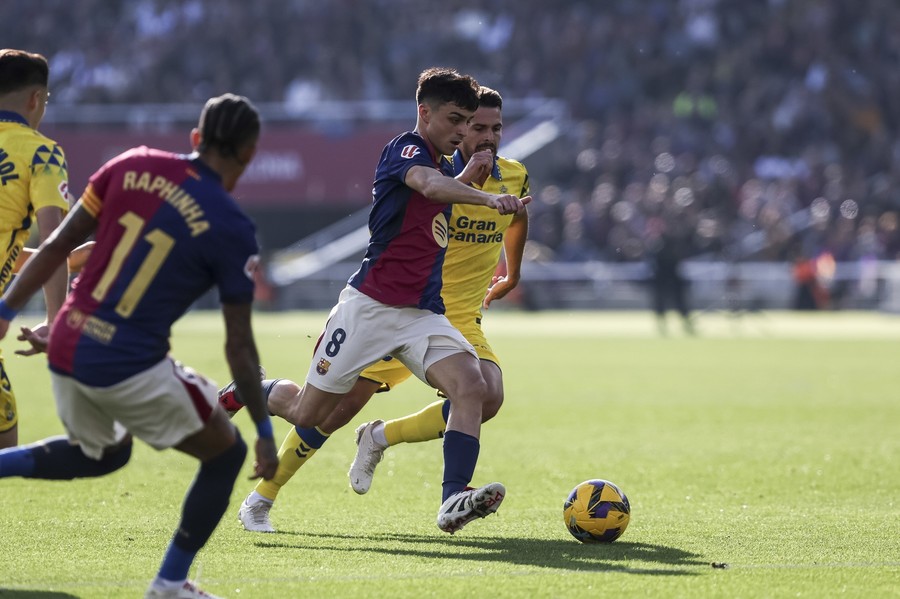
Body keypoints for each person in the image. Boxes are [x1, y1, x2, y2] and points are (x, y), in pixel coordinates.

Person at [225, 68, 529, 535]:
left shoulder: (455, 165)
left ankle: (453, 499)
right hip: (369, 308)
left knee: (472, 388)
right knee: (312, 412)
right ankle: (252, 388)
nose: (464, 131)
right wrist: (486, 199)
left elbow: (447, 185)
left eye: (472, 122)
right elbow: (428, 187)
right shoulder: (403, 150)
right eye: (457, 120)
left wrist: (474, 180)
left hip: (422, 314)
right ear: (424, 112)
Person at [0, 93, 279, 599]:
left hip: (67, 340)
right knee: (226, 453)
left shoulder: (131, 165)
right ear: (249, 154)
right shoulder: (234, 228)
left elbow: (59, 246)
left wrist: (5, 312)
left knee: (104, 455)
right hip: (127, 361)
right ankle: (170, 584)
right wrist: (262, 428)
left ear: (195, 139)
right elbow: (239, 346)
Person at [0, 49, 70, 449]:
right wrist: (55, 318)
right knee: (6, 450)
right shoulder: (40, 152)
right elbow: (54, 240)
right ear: (34, 100)